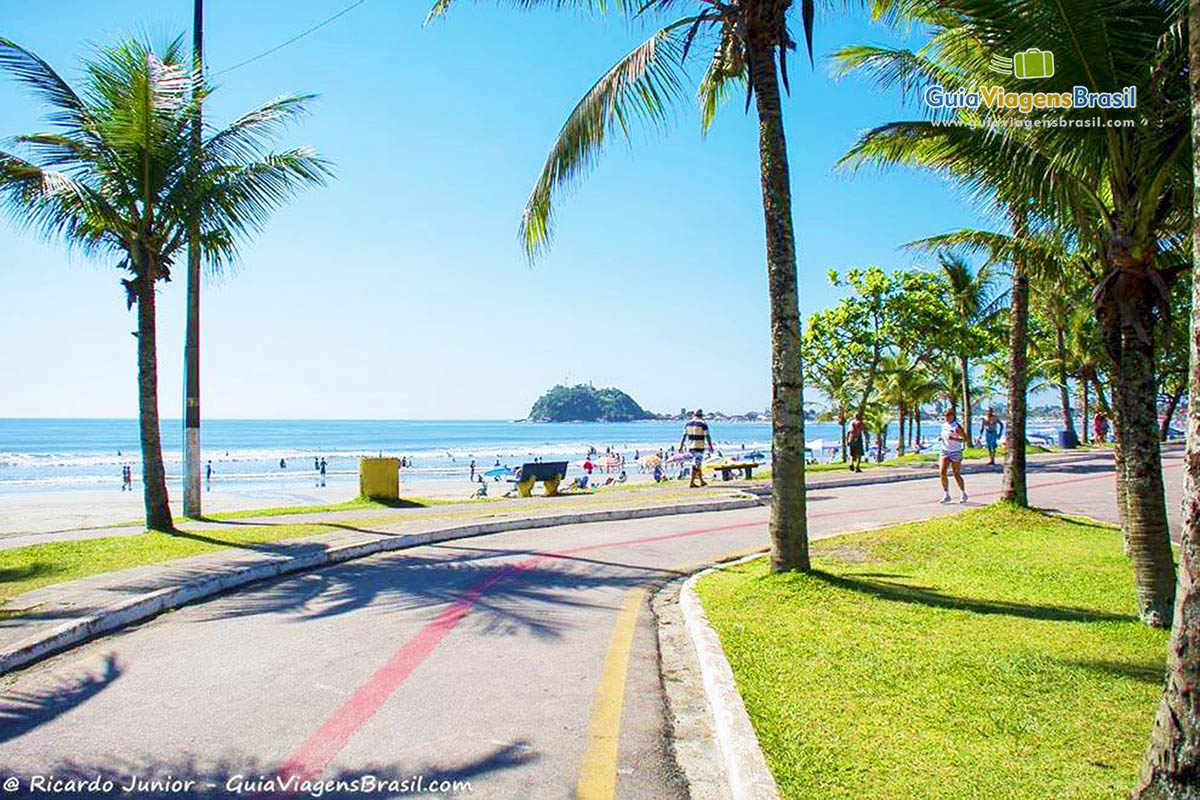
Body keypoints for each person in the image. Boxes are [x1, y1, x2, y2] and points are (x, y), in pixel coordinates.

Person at [939, 408, 968, 504]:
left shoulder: (956, 426)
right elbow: (944, 436)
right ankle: (946, 494)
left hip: (955, 451)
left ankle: (963, 493)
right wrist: (941, 438)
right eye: (945, 415)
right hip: (945, 451)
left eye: (948, 415)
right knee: (942, 473)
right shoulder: (944, 426)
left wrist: (954, 439)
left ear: (952, 416)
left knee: (956, 474)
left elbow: (965, 439)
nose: (946, 417)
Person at [679, 409, 714, 488]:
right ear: (701, 415)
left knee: (697, 464)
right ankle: (692, 482)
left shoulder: (688, 424)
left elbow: (684, 436)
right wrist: (710, 446)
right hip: (699, 446)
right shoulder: (703, 423)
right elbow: (707, 435)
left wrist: (681, 446)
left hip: (690, 446)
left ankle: (701, 481)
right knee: (696, 464)